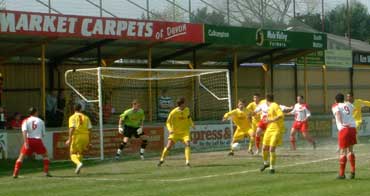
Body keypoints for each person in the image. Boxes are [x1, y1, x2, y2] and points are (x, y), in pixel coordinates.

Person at [12, 107, 51, 178]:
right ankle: (46, 172)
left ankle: (15, 173)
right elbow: (43, 134)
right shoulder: (41, 121)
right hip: (38, 141)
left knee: (21, 157)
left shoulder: (25, 121)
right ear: (35, 112)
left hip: (29, 140)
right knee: (45, 156)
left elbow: (24, 132)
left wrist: (26, 142)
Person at [158, 97, 194, 167]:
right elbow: (168, 122)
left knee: (187, 144)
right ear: (181, 104)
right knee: (168, 147)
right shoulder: (173, 112)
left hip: (185, 133)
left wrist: (192, 124)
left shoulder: (187, 110)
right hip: (175, 133)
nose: (186, 104)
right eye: (184, 103)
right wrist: (170, 130)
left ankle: (187, 161)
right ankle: (162, 159)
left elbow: (189, 118)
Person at [332, 93, 357, 179]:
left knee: (343, 152)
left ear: (335, 100)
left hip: (344, 129)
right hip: (352, 128)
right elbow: (352, 108)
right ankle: (353, 171)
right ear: (343, 99)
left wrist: (341, 122)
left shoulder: (335, 105)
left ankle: (342, 174)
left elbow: (338, 114)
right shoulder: (349, 104)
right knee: (350, 150)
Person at [260, 94, 285, 174]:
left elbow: (280, 115)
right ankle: (265, 163)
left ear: (267, 100)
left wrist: (270, 120)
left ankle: (272, 168)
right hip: (269, 129)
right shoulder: (270, 108)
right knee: (264, 147)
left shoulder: (275, 105)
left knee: (271, 149)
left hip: (276, 130)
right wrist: (267, 120)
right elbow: (270, 117)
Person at [65, 103, 92, 174]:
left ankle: (78, 164)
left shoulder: (72, 117)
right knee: (79, 153)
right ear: (81, 109)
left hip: (77, 137)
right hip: (85, 136)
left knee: (72, 154)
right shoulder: (86, 117)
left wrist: (69, 139)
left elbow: (72, 128)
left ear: (74, 109)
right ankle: (78, 169)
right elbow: (90, 130)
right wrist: (89, 141)